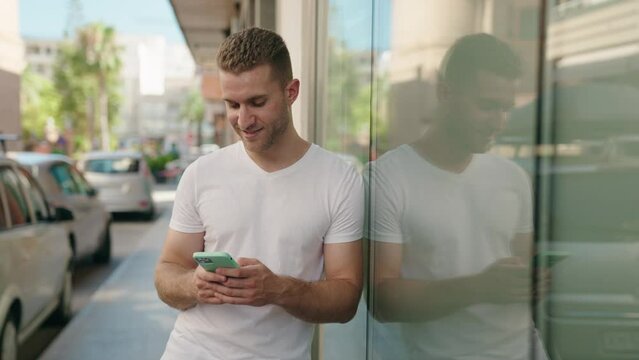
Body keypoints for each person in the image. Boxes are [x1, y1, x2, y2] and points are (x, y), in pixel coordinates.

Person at [155, 27, 364, 360]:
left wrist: (277, 289)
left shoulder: (338, 179)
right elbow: (167, 271)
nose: (243, 119)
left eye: (257, 102)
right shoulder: (200, 175)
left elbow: (346, 299)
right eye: (232, 104)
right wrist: (192, 284)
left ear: (291, 91)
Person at [368, 33, 547, 359]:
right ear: (444, 93)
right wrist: (478, 287)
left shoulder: (513, 178)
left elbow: (522, 271)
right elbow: (383, 300)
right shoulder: (387, 178)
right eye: (487, 106)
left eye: (505, 109)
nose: (499, 122)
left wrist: (532, 281)